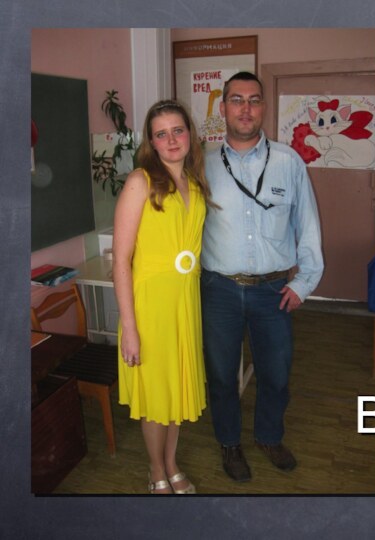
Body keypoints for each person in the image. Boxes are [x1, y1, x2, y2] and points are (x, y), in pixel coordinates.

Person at [201, 71, 324, 482]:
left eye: (254, 100)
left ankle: (269, 436)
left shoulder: (288, 162)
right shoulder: (201, 165)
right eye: (237, 100)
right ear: (223, 108)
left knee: (276, 373)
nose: (246, 108)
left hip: (274, 290)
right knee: (221, 376)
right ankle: (229, 443)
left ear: (264, 107)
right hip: (219, 289)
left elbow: (308, 226)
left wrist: (304, 282)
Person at [113, 99, 214, 494]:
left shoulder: (194, 182)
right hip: (150, 308)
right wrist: (130, 328)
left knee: (175, 390)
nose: (171, 140)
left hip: (184, 304)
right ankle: (156, 470)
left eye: (177, 130)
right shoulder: (140, 182)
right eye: (161, 134)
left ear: (189, 134)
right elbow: (121, 260)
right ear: (151, 142)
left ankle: (171, 463)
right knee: (157, 396)